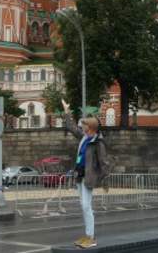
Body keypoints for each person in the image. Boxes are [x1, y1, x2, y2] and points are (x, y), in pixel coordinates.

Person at [62, 100, 110, 250]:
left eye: (85, 126)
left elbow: (104, 162)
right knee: (84, 207)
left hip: (88, 178)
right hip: (79, 175)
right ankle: (88, 235)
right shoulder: (84, 137)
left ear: (92, 128)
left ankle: (91, 237)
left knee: (86, 206)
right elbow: (71, 127)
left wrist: (105, 179)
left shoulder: (98, 143)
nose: (82, 128)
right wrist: (66, 111)